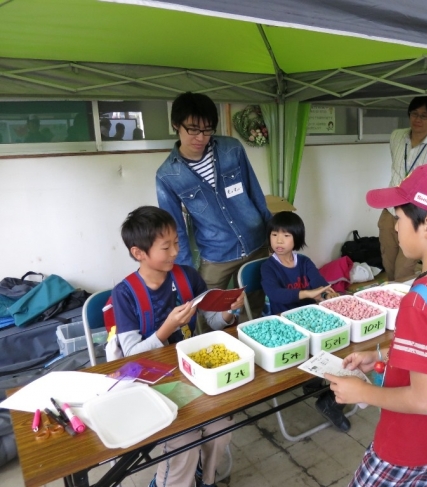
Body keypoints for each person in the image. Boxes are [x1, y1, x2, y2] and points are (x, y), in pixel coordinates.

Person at [325, 163, 427, 487]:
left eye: (398, 218)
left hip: (405, 448)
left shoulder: (419, 301)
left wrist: (363, 391)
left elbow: (424, 400)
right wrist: (384, 360)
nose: (395, 228)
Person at [111, 206, 244, 487]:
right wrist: (166, 329)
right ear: (139, 253)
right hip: (151, 381)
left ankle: (205, 479)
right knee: (184, 438)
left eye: (177, 243)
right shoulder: (125, 294)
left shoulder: (187, 276)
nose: (175, 252)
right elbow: (132, 355)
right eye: (166, 246)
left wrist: (229, 313)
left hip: (194, 373)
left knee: (221, 428)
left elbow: (212, 321)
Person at [156, 92, 272, 326]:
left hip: (255, 241)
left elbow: (254, 192)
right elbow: (175, 228)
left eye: (208, 130)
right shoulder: (167, 175)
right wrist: (186, 272)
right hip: (216, 252)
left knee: (253, 308)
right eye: (193, 129)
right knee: (204, 313)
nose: (201, 137)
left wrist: (272, 233)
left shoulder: (231, 149)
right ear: (175, 125)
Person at [260, 211, 351, 432]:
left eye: (286, 236)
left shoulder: (304, 262)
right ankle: (318, 388)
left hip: (311, 319)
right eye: (274, 235)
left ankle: (325, 395)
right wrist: (308, 294)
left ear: (297, 239)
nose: (279, 241)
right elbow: (275, 295)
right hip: (284, 324)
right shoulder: (268, 266)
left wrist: (328, 295)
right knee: (322, 348)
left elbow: (319, 284)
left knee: (345, 346)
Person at [379, 96, 427, 281]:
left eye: (424, 116)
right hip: (390, 210)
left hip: (415, 216)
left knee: (403, 269)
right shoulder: (396, 137)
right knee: (387, 263)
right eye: (414, 114)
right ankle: (390, 301)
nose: (418, 120)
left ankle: (404, 304)